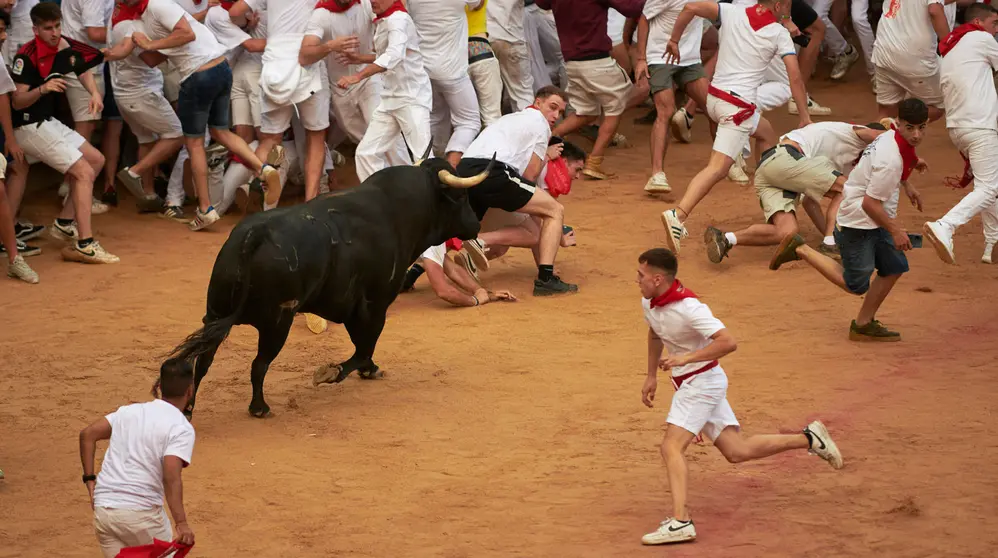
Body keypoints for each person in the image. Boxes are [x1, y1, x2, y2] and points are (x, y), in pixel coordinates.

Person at [636, 247, 842, 545]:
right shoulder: (650, 302)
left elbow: (728, 342)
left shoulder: (690, 307)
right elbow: (655, 333)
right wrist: (651, 374)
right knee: (737, 451)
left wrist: (685, 359)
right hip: (695, 381)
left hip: (702, 382)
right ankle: (810, 438)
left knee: (671, 447)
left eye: (641, 275)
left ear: (657, 279)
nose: (636, 280)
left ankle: (681, 522)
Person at [659, 0, 810, 255]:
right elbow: (794, 77)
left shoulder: (732, 11)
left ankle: (773, 196)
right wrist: (804, 116)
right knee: (717, 168)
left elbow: (690, 8)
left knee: (766, 133)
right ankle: (678, 215)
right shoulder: (778, 34)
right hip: (737, 109)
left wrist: (674, 40)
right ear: (779, 4)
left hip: (715, 100)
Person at [770, 99, 929, 342]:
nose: (916, 135)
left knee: (894, 267)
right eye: (911, 128)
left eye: (922, 128)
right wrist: (895, 230)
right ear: (899, 124)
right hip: (858, 221)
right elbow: (870, 204)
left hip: (873, 218)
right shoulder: (890, 160)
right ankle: (800, 248)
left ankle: (863, 324)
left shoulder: (891, 136)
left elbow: (902, 159)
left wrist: (908, 184)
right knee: (856, 285)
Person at [118, 0, 282, 230]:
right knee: (220, 132)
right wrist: (133, 49)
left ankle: (205, 209)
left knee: (194, 144)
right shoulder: (144, 18)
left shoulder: (157, 5)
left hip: (197, 75)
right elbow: (154, 59)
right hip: (219, 69)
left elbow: (186, 34)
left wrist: (150, 43)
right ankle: (263, 169)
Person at [10, 2, 118, 264]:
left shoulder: (64, 46)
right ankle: (85, 243)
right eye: (48, 28)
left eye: (57, 26)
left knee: (96, 160)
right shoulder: (26, 55)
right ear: (35, 29)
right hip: (27, 126)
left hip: (47, 122)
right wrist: (43, 90)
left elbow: (81, 69)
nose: (55, 32)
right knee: (83, 172)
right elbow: (17, 101)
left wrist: (94, 93)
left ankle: (64, 222)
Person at [704, 121, 888, 264]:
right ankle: (830, 243)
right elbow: (878, 135)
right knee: (848, 188)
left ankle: (725, 239)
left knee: (786, 233)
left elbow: (809, 203)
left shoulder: (848, 163)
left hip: (770, 171)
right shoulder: (855, 134)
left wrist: (828, 234)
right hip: (785, 157)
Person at [458, 86, 577, 296]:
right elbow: (530, 176)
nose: (556, 116)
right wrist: (547, 156)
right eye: (553, 107)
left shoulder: (512, 119)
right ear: (538, 102)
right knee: (555, 210)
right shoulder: (540, 125)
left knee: (459, 228)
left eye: (560, 112)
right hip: (494, 171)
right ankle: (545, 280)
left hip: (466, 170)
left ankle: (414, 272)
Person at [79, 359, 197, 558]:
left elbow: (87, 435)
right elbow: (171, 475)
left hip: (105, 510)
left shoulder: (128, 412)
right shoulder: (180, 427)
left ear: (159, 387)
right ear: (190, 391)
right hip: (141, 515)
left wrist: (90, 483)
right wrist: (181, 523)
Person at [229, 0, 341, 203]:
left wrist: (247, 24)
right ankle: (311, 201)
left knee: (270, 139)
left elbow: (235, 12)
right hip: (306, 58)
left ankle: (257, 179)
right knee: (315, 135)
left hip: (275, 61)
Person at [923, 3, 998, 265]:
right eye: (994, 24)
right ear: (979, 22)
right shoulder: (981, 38)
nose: (996, 30)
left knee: (986, 184)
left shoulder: (953, 47)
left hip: (959, 128)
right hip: (980, 125)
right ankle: (946, 225)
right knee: (990, 187)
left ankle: (993, 242)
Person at [537, 0, 643, 181]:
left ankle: (549, 137)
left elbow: (542, 3)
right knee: (616, 107)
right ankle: (594, 162)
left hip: (572, 61)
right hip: (597, 60)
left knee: (586, 112)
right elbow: (632, 8)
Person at [338, 0, 432, 182]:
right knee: (366, 154)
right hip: (390, 100)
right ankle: (384, 198)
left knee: (425, 159)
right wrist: (358, 59)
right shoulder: (385, 19)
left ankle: (439, 205)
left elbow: (394, 55)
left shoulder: (398, 19)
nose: (373, 1)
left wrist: (358, 76)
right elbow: (386, 54)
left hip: (412, 98)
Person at [104, 13, 183, 213]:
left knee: (146, 141)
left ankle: (148, 195)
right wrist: (177, 45)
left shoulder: (119, 24)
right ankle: (134, 172)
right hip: (141, 94)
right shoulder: (133, 26)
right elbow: (150, 59)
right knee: (177, 133)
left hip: (127, 94)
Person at [635, 0, 710, 193]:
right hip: (659, 56)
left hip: (691, 59)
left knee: (713, 107)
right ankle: (657, 174)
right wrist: (641, 58)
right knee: (666, 111)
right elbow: (643, 19)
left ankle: (728, 161)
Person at [60, 0, 121, 211]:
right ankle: (74, 190)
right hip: (83, 63)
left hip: (82, 61)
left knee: (85, 126)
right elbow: (94, 32)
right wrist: (125, 33)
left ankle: (70, 184)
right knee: (84, 128)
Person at [408, 0, 482, 168]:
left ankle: (430, 169)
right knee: (469, 122)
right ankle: (450, 169)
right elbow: (477, 4)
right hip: (452, 72)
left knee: (435, 119)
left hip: (424, 70)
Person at [871, 0, 949, 122]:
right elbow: (934, 10)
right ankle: (898, 125)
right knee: (938, 107)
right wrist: (951, 48)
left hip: (884, 50)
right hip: (914, 58)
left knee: (886, 112)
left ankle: (882, 135)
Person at [404, 242, 518, 307]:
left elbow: (452, 269)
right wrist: (474, 300)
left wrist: (481, 291)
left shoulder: (425, 224)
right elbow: (443, 291)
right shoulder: (430, 232)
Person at [486, 0, 533, 111]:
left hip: (485, 38)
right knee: (522, 94)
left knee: (488, 97)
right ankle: (528, 126)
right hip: (512, 39)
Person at [465, 0, 501, 126]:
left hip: (453, 54)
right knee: (492, 117)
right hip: (480, 48)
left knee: (462, 121)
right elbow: (477, 5)